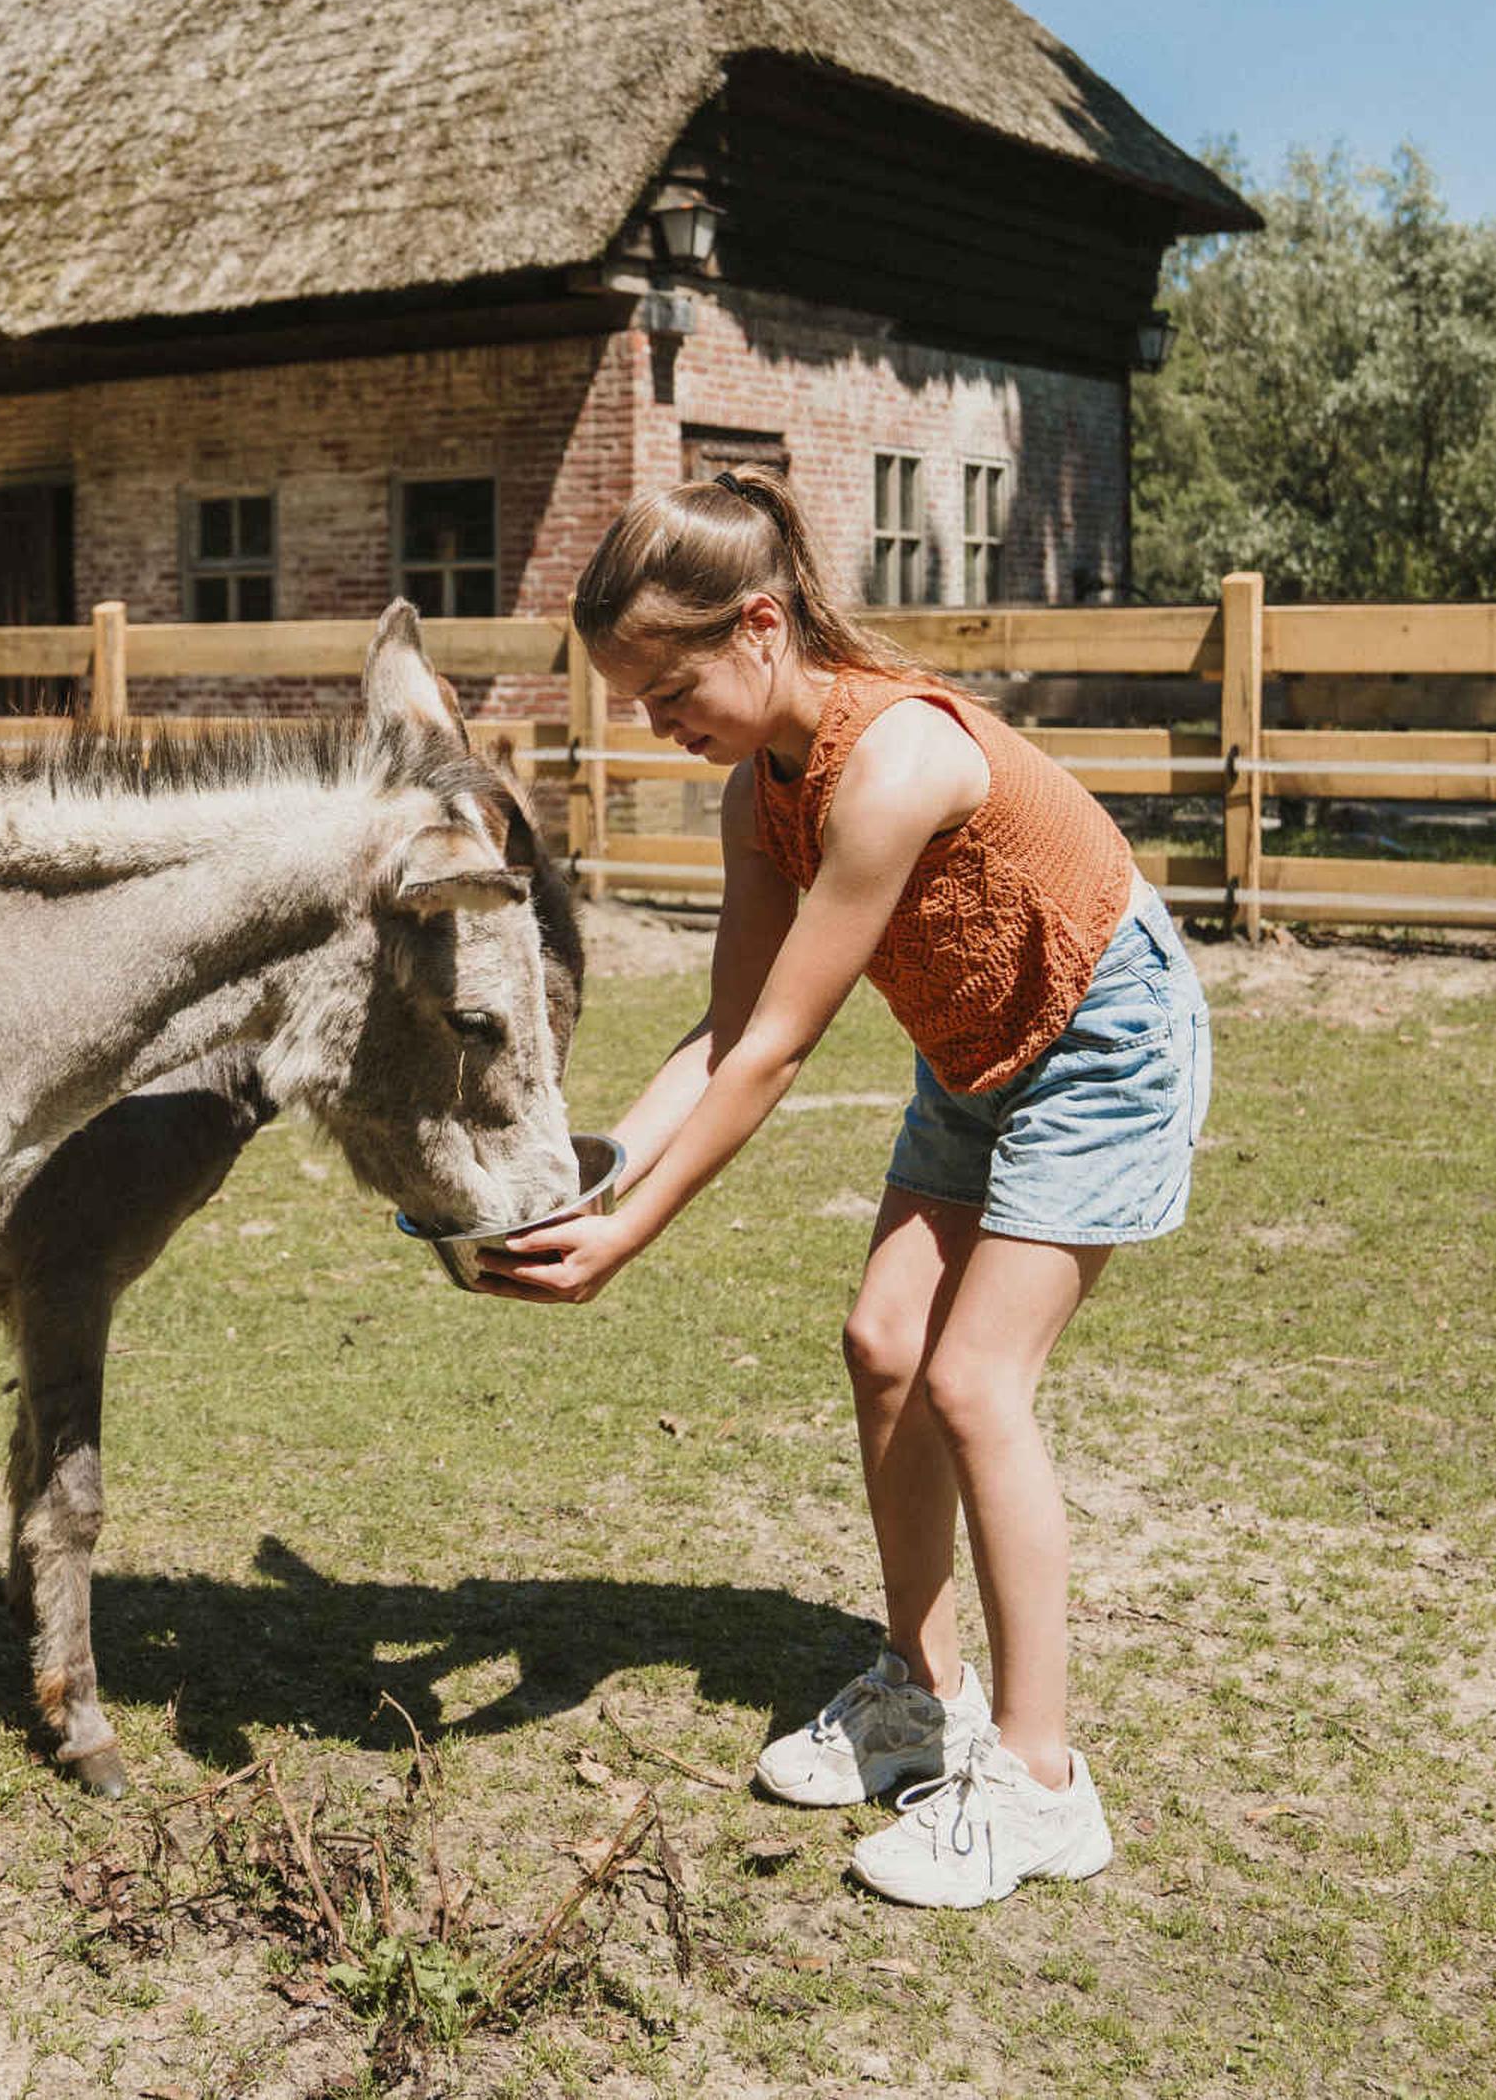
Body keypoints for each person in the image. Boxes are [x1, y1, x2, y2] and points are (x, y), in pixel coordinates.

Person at [476, 466, 1209, 1910]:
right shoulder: (765, 790)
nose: (651, 724)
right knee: (886, 1344)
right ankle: (917, 1695)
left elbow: (780, 1055)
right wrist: (586, 1176)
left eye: (665, 687)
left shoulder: (896, 766)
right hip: (975, 1045)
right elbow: (721, 1030)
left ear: (761, 627)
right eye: (630, 699)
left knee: (975, 1382)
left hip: (1103, 1033)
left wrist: (625, 1239)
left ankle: (1043, 1784)